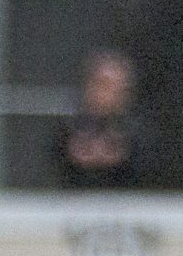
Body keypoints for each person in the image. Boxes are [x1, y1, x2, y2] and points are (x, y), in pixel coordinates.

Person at [58, 50, 144, 190]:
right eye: (105, 85)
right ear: (89, 86)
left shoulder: (137, 131)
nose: (112, 94)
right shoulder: (68, 127)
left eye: (120, 88)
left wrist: (120, 156)